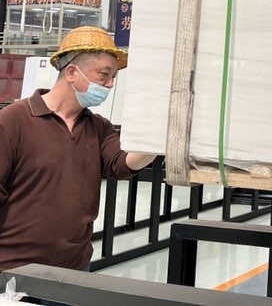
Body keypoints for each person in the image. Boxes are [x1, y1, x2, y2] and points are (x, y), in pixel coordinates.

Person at [0, 26, 156, 275]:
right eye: (104, 74)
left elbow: (122, 164)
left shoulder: (99, 127)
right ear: (72, 72)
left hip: (74, 267)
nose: (110, 84)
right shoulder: (13, 121)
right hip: (13, 269)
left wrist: (159, 137)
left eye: (113, 77)